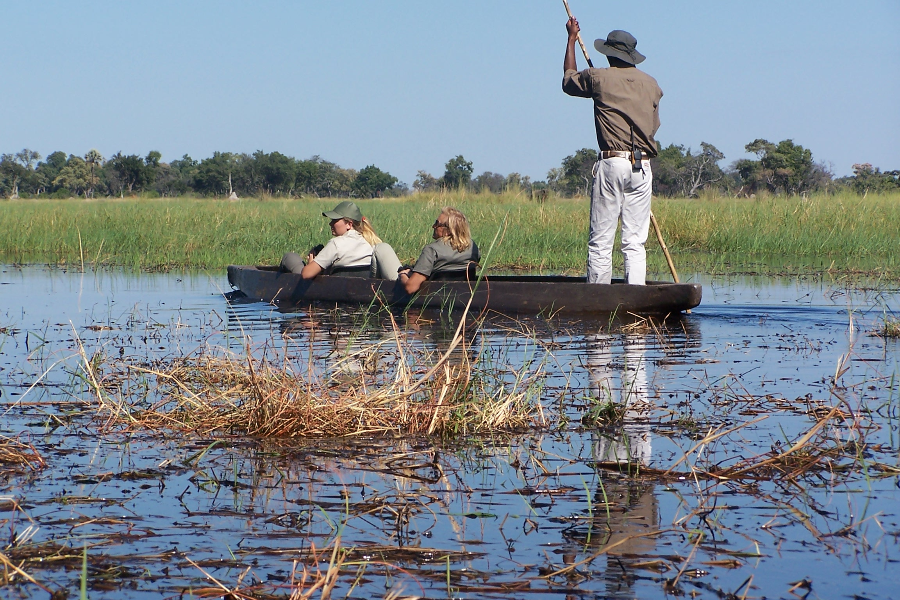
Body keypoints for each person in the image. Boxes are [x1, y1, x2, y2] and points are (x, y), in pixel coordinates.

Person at [563, 18, 663, 285]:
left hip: (612, 163)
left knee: (601, 239)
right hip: (642, 168)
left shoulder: (598, 77)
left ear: (609, 54)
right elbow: (654, 127)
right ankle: (636, 296)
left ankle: (599, 300)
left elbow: (569, 82)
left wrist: (572, 39)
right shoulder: (651, 84)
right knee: (635, 242)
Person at [280, 201, 382, 279]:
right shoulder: (371, 243)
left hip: (333, 289)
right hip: (358, 287)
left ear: (349, 224)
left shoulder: (336, 244)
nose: (330, 224)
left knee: (290, 257)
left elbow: (306, 274)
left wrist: (311, 262)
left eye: (335, 220)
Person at [398, 206, 480, 294]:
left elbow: (410, 288)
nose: (433, 226)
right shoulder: (473, 248)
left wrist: (402, 274)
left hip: (433, 296)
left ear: (449, 230)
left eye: (437, 224)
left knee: (383, 249)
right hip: (463, 295)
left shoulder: (431, 250)